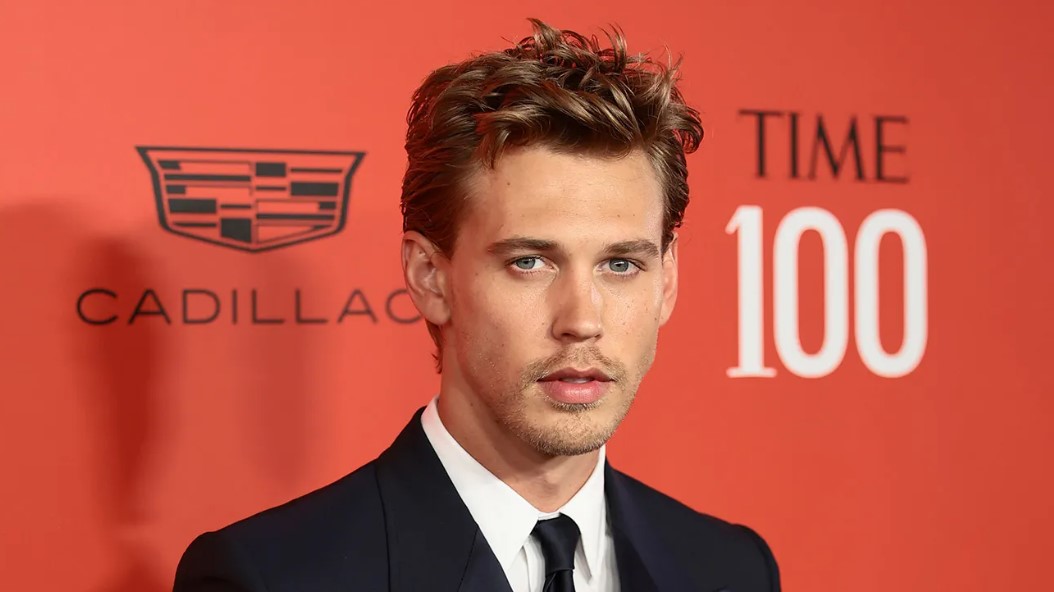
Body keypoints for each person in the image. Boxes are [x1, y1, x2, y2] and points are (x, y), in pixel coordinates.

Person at [174, 19, 781, 592]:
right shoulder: (270, 577)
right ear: (430, 278)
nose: (582, 321)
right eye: (530, 262)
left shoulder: (730, 567)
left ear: (666, 280)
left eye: (620, 264)